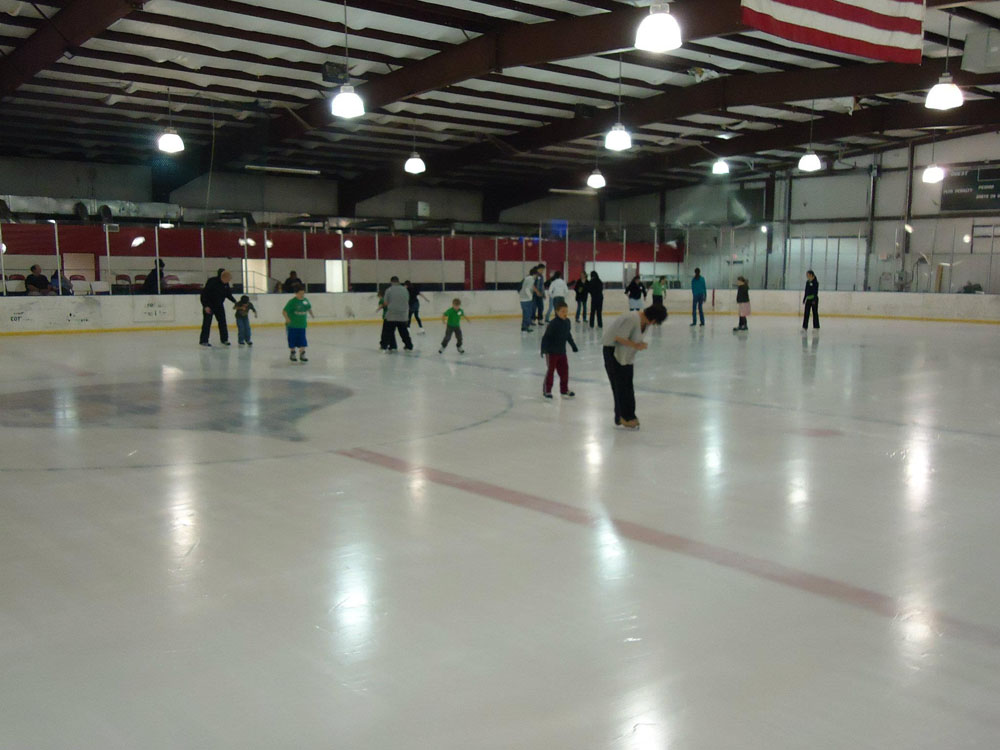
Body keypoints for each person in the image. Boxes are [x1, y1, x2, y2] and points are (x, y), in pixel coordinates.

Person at [602, 304, 667, 429]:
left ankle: (627, 415)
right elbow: (619, 338)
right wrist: (636, 345)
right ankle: (624, 416)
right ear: (653, 318)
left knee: (627, 384)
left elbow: (633, 339)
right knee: (619, 385)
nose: (653, 324)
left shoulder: (646, 323)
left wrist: (638, 344)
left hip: (626, 354)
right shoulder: (632, 318)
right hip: (613, 351)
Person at [540, 300, 578, 399]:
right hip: (552, 352)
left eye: (566, 311)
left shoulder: (567, 322)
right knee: (550, 371)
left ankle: (564, 390)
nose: (565, 313)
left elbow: (568, 335)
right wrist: (543, 349)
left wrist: (573, 345)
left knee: (564, 371)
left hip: (562, 352)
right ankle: (547, 390)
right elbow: (546, 337)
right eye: (562, 311)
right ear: (557, 312)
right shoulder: (553, 324)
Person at [199, 268, 237, 347]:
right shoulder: (212, 282)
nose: (228, 282)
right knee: (207, 323)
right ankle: (204, 341)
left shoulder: (226, 284)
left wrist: (235, 302)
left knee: (222, 322)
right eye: (227, 280)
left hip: (219, 306)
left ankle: (224, 339)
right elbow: (204, 294)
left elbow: (228, 294)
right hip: (209, 306)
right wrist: (205, 306)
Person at [379, 276, 413, 352]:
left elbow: (385, 303)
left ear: (391, 282)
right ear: (398, 281)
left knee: (387, 331)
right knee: (404, 331)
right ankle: (409, 346)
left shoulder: (389, 290)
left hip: (392, 314)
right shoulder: (405, 290)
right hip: (403, 314)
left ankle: (384, 346)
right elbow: (407, 300)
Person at [283, 287, 314, 362]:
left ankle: (302, 354)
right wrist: (287, 319)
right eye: (300, 293)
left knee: (303, 340)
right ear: (296, 293)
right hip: (292, 325)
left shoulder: (305, 301)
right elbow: (284, 311)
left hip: (302, 325)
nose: (301, 295)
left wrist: (312, 314)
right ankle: (292, 353)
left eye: (303, 293)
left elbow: (308, 308)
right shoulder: (292, 302)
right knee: (292, 340)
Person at [519, 266, 540, 332]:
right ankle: (526, 327)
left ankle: (523, 326)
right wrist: (530, 297)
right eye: (536, 275)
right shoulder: (531, 279)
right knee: (528, 313)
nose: (536, 277)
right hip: (526, 299)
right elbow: (527, 289)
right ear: (535, 274)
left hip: (522, 298)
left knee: (525, 313)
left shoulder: (526, 278)